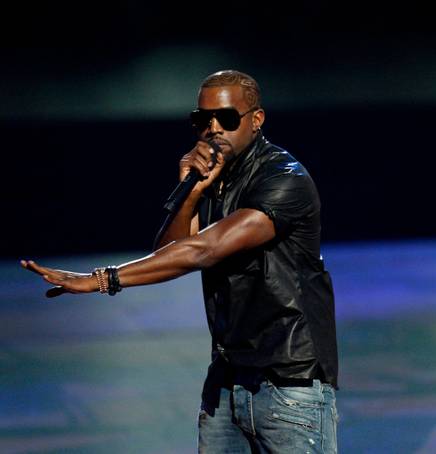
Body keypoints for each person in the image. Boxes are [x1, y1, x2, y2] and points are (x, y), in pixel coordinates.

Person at [21, 70, 339, 454]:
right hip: (226, 382)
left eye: (226, 118)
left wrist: (101, 279)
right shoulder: (213, 179)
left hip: (287, 385)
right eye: (202, 119)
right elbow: (171, 251)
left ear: (256, 120)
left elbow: (205, 250)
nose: (213, 128)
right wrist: (190, 193)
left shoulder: (285, 179)